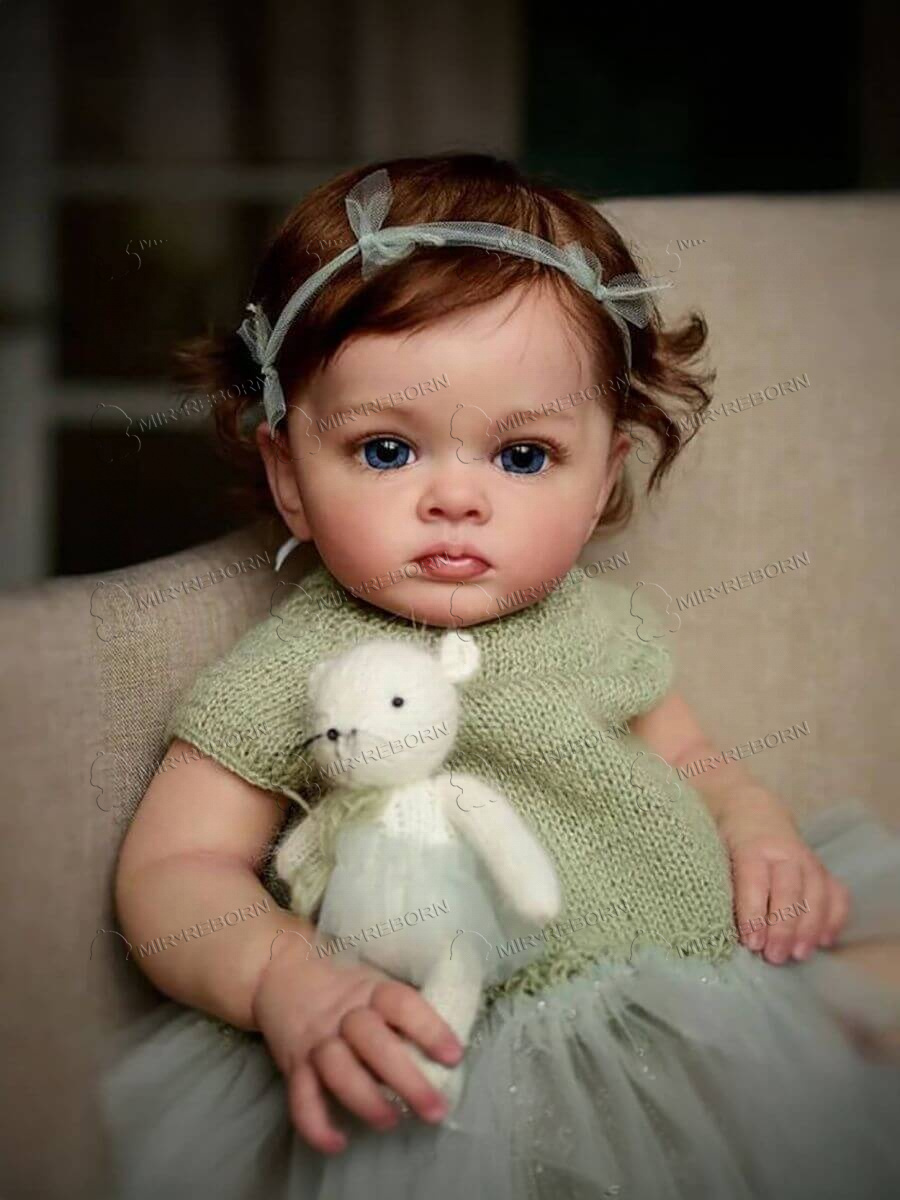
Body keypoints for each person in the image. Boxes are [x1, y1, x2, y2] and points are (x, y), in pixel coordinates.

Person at [99, 153, 900, 1200]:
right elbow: (174, 869)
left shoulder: (604, 628)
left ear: (603, 474)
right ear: (290, 474)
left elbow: (697, 761)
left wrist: (758, 828)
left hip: (704, 985)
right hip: (475, 1057)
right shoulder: (294, 668)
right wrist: (284, 975)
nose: (456, 501)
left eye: (523, 457)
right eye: (387, 451)